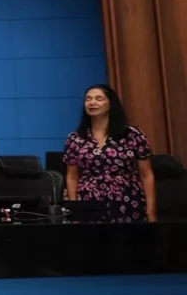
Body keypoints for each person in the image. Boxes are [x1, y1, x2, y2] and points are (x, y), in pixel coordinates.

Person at [63, 84, 155, 221]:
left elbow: (146, 175)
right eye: (88, 99)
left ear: (111, 103)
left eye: (99, 98)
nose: (92, 102)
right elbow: (72, 177)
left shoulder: (133, 135)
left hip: (128, 200)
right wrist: (75, 208)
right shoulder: (75, 138)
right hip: (89, 202)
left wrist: (151, 211)